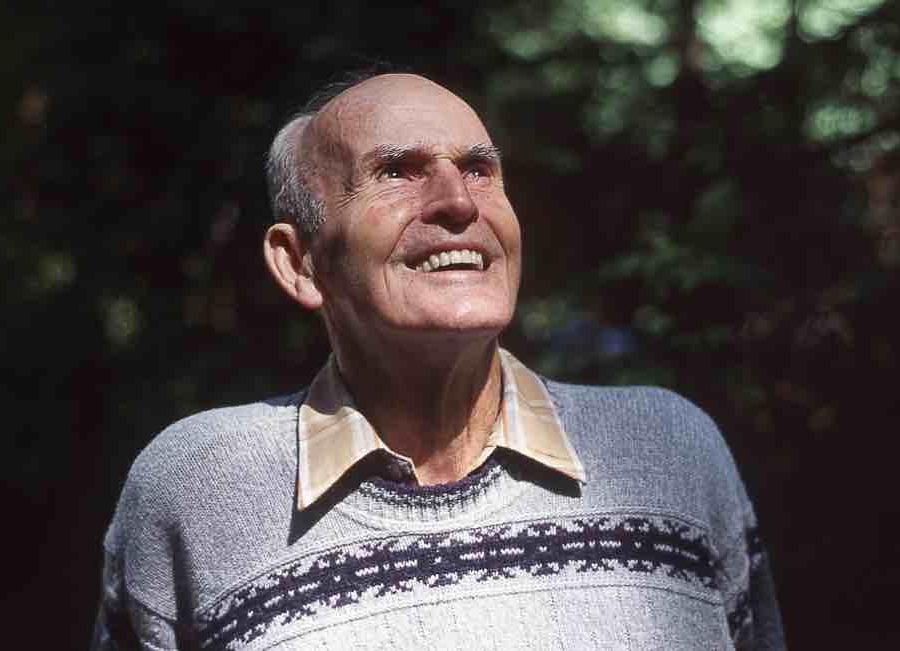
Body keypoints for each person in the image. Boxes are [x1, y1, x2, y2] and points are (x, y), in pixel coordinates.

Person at [92, 72, 785, 650]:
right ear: (300, 262)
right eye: (396, 171)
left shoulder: (671, 451)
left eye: (480, 169)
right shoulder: (196, 488)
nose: (458, 202)